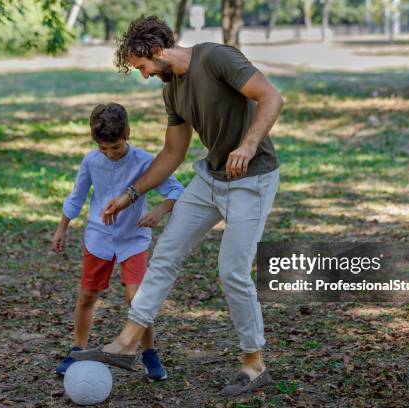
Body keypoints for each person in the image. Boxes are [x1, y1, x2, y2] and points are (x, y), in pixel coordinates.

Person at [73, 16, 284, 397]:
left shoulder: (217, 58)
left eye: (142, 67)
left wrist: (250, 143)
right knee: (167, 251)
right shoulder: (173, 92)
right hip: (211, 178)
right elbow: (173, 152)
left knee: (232, 270)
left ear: (155, 51)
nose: (144, 75)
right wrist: (131, 194)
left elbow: (272, 97)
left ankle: (254, 365)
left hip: (252, 179)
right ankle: (127, 342)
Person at [52, 102, 183, 381]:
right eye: (104, 149)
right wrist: (62, 228)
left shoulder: (145, 162)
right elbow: (77, 196)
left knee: (138, 300)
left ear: (128, 134)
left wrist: (159, 211)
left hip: (133, 239)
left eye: (116, 147)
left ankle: (149, 353)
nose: (110, 154)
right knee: (87, 295)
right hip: (98, 238)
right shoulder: (91, 161)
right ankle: (77, 349)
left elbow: (175, 190)